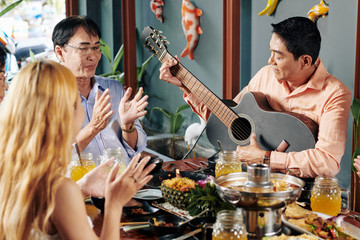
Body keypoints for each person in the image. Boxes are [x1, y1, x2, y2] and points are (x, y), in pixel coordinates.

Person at [159, 16, 352, 179]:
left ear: (305, 61)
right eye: (270, 52)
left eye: (278, 56)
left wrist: (265, 158)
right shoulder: (265, 75)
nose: (270, 61)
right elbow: (228, 121)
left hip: (297, 192)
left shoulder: (335, 94)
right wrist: (184, 84)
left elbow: (328, 162)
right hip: (248, 179)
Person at [0, 60, 155, 239]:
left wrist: (80, 186)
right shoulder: (60, 189)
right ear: (63, 116)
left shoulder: (13, 172)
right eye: (77, 102)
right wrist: (114, 204)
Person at [52, 15, 148, 163]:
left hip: (123, 180)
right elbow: (53, 160)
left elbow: (135, 149)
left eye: (96, 48)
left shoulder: (114, 89)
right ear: (60, 53)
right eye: (83, 48)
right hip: (80, 185)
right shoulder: (47, 99)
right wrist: (92, 128)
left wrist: (127, 125)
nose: (93, 56)